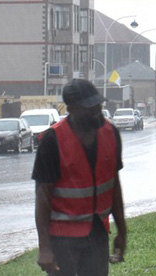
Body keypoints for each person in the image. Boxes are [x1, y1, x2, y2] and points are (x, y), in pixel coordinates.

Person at [33, 79, 126, 275]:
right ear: (72, 108)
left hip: (97, 232)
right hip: (62, 237)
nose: (96, 111)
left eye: (98, 105)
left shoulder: (111, 134)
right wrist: (45, 248)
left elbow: (114, 186)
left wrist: (122, 231)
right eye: (89, 107)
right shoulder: (52, 141)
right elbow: (42, 198)